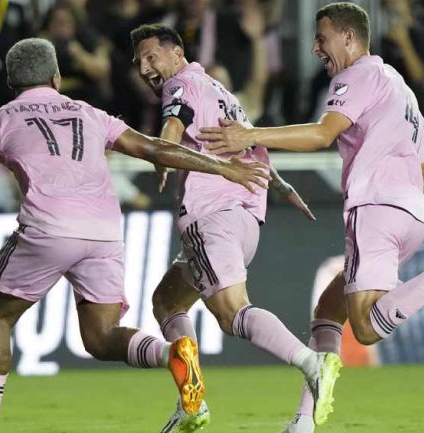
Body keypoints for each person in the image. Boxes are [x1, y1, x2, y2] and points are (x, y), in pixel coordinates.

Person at [0, 37, 271, 433]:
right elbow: (153, 148)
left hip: (48, 230)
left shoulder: (1, 119)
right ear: (57, 77)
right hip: (104, 234)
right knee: (101, 337)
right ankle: (172, 353)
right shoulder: (90, 113)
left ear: (11, 82)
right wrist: (221, 167)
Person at [194, 4, 424, 432]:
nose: (315, 48)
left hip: (376, 209)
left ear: (349, 38)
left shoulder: (357, 76)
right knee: (329, 312)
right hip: (409, 217)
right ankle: (303, 421)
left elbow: (322, 133)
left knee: (365, 327)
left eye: (322, 38)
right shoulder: (401, 91)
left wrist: (250, 135)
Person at [129, 24, 336, 433]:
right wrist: (282, 186)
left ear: (177, 53)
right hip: (243, 218)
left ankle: (313, 364)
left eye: (152, 56)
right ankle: (192, 401)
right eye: (138, 62)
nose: (145, 67)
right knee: (167, 301)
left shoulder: (181, 85)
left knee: (231, 312)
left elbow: (174, 122)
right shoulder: (218, 90)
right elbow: (249, 145)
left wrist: (162, 152)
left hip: (211, 216)